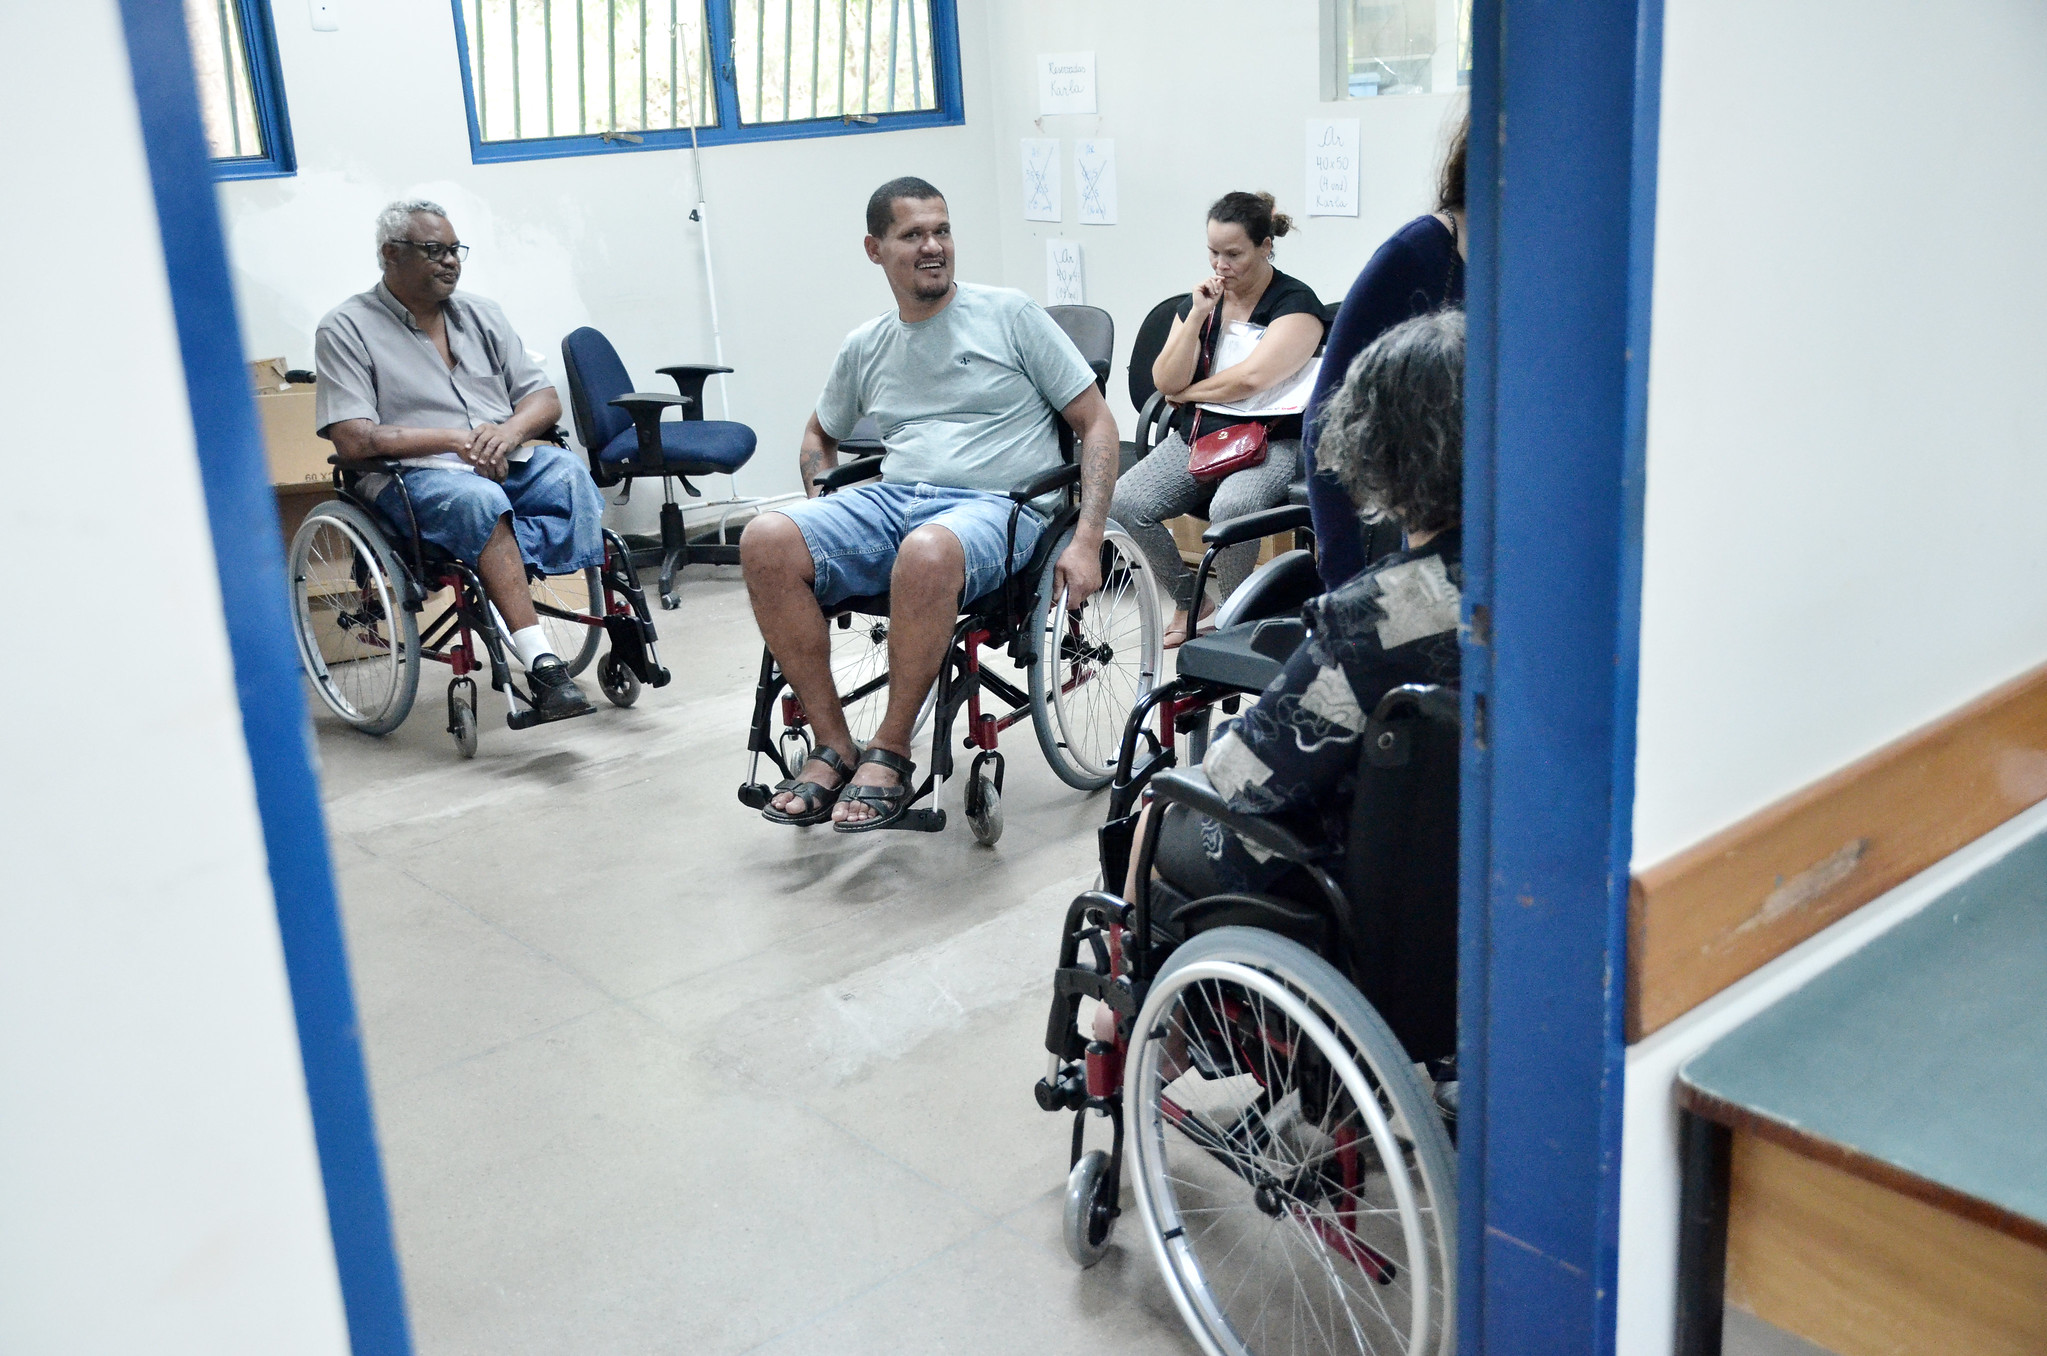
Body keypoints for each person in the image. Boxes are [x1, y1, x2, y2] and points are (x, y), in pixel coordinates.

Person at [740, 177, 1121, 832]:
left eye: (941, 230)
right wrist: (821, 502)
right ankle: (834, 746)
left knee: (926, 550)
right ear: (875, 248)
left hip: (998, 509)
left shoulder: (1009, 315)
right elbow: (818, 435)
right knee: (766, 539)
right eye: (912, 234)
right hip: (895, 500)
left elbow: (1097, 423)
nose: (932, 246)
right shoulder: (867, 344)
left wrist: (1086, 540)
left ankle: (889, 750)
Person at [1126, 309, 1465, 902]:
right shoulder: (1543, 590)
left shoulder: (1373, 622)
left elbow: (1244, 777)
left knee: (1154, 812)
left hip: (1349, 886)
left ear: (1378, 451)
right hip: (1461, 874)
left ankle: (1123, 982)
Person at [315, 199, 602, 722]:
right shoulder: (345, 329)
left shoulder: (482, 314)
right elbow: (354, 440)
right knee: (480, 500)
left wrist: (507, 432)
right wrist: (457, 440)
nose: (450, 261)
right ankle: (541, 663)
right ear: (390, 254)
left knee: (567, 474)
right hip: (410, 478)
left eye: (454, 250)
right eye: (434, 251)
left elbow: (543, 398)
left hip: (502, 458)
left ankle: (515, 581)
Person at [1111, 192, 1326, 648]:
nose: (1221, 264)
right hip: (1200, 434)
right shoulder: (1204, 301)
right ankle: (1192, 602)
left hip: (1269, 442)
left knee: (1233, 509)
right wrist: (1196, 317)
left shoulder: (1297, 304)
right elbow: (1163, 377)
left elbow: (1250, 379)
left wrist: (1184, 393)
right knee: (1124, 501)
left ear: (1265, 246)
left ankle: (1235, 616)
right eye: (1213, 252)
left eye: (1234, 254)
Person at [1303, 113, 1468, 589]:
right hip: (1433, 550)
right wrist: (1346, 577)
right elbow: (1326, 419)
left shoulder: (1547, 256)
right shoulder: (1416, 253)